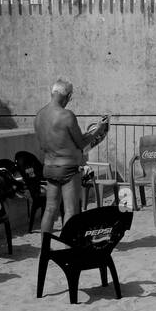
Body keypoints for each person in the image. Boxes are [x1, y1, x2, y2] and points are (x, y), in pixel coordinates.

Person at [33, 78, 108, 233]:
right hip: (67, 169)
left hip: (49, 167)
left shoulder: (39, 116)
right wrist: (98, 130)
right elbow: (81, 143)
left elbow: (44, 144)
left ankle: (45, 249)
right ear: (67, 96)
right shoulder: (67, 115)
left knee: (50, 210)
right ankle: (69, 248)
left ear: (52, 93)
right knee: (70, 211)